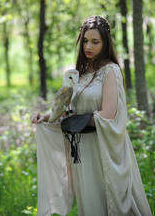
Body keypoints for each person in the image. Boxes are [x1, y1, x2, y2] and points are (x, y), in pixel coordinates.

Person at [31, 15, 152, 216]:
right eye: (85, 40)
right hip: (82, 150)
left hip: (103, 149)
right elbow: (67, 109)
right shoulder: (78, 73)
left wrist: (75, 120)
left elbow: (108, 114)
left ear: (105, 43)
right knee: (90, 203)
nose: (89, 46)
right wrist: (46, 117)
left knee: (111, 201)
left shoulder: (111, 71)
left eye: (95, 42)